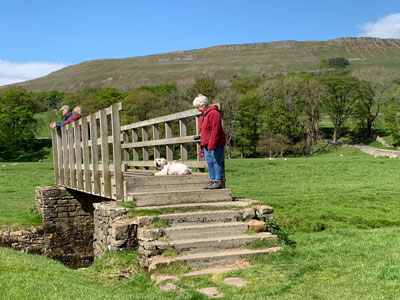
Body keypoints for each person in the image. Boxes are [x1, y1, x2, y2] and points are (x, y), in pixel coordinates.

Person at [193, 94, 226, 189]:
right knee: (209, 162)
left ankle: (218, 180)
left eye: (198, 107)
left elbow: (216, 130)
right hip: (206, 144)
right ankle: (212, 180)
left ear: (203, 105)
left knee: (216, 161)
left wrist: (212, 144)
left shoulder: (214, 113)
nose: (197, 109)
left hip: (216, 143)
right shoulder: (202, 116)